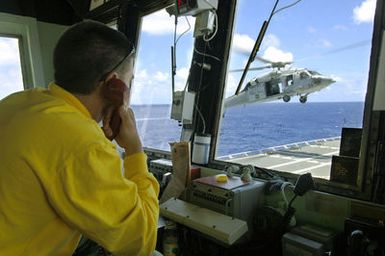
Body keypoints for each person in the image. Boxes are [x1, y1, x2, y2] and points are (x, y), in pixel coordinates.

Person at [0, 20, 160, 255]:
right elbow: (141, 240)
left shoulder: (19, 102)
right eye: (130, 80)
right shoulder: (82, 143)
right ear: (114, 84)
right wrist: (135, 150)